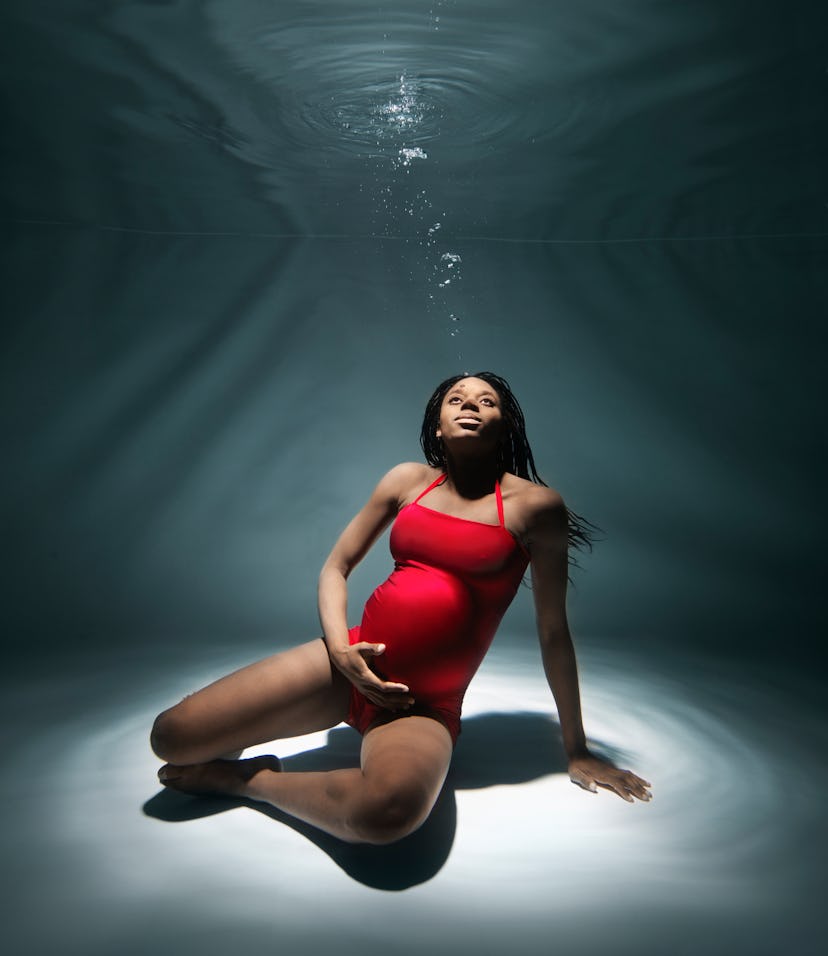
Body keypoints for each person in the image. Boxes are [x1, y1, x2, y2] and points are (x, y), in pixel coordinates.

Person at [151, 372, 651, 845]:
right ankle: (245, 731)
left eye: (486, 400)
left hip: (423, 706)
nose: (470, 405)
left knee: (387, 814)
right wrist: (344, 653)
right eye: (457, 399)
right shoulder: (409, 481)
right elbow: (335, 568)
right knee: (170, 737)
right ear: (438, 424)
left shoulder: (535, 507)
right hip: (347, 666)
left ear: (505, 425)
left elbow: (553, 633)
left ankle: (245, 780)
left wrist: (577, 750)